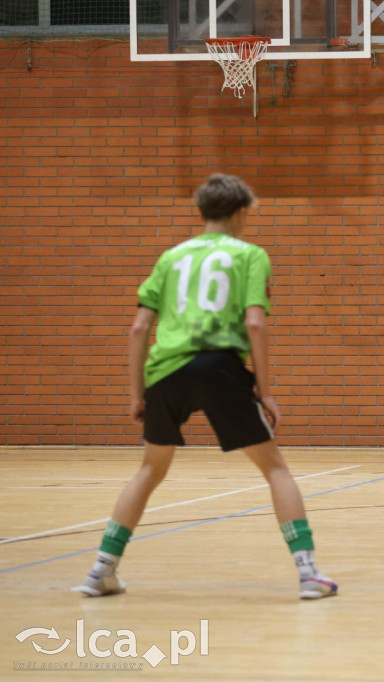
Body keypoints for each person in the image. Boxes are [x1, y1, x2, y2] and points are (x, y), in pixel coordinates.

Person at [72, 174, 337, 599]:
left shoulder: (170, 257)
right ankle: (308, 574)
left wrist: (136, 394)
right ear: (239, 212)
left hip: (165, 370)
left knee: (149, 468)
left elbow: (139, 328)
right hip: (218, 366)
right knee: (274, 468)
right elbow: (254, 322)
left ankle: (100, 570)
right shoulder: (250, 255)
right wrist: (265, 391)